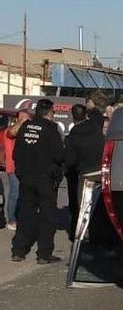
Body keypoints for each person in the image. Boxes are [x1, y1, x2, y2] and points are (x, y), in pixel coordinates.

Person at [11, 99, 64, 264]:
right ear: (50, 112)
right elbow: (58, 155)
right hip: (45, 180)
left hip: (26, 178)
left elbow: (16, 153)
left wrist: (21, 173)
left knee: (25, 214)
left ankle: (18, 251)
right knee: (48, 217)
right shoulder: (51, 129)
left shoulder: (25, 126)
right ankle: (44, 253)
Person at [64, 104, 104, 241]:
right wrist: (92, 106)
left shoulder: (72, 137)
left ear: (72, 116)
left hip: (86, 174)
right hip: (102, 171)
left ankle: (81, 236)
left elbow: (70, 161)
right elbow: (99, 116)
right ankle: (100, 235)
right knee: (101, 207)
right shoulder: (95, 127)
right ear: (86, 115)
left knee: (83, 208)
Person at [3, 111, 29, 231]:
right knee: (15, 193)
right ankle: (11, 220)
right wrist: (22, 120)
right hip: (12, 167)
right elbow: (11, 133)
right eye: (23, 118)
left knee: (21, 194)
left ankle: (18, 217)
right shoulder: (10, 131)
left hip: (23, 167)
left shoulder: (23, 131)